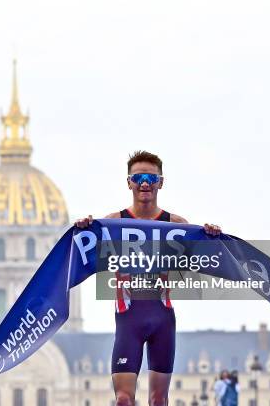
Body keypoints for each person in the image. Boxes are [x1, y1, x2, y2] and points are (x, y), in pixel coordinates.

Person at [75, 150, 222, 406]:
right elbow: (84, 250)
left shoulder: (176, 224)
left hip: (162, 319)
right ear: (129, 182)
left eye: (152, 178)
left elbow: (200, 261)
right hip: (128, 320)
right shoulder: (112, 222)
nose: (145, 183)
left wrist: (209, 236)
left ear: (161, 183)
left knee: (158, 400)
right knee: (123, 399)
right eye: (139, 177)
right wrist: (83, 228)